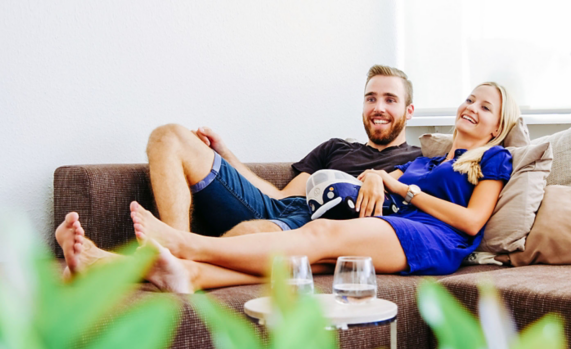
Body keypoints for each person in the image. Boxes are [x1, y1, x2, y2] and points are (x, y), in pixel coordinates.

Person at [58, 82, 520, 293]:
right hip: (378, 222)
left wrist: (404, 190)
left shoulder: (492, 158)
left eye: (485, 106)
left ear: (499, 124)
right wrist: (380, 177)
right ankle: (175, 272)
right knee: (311, 259)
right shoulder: (427, 159)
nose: (471, 107)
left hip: (430, 236)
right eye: (468, 99)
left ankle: (181, 246)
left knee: (317, 240)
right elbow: (286, 193)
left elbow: (474, 222)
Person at [144, 65, 422, 238]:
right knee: (167, 136)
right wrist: (225, 154)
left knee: (250, 234)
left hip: (320, 225)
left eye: (390, 100)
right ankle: (174, 243)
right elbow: (280, 197)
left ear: (409, 111)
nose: (379, 108)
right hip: (286, 209)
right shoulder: (335, 147)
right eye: (371, 98)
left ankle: (177, 254)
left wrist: (375, 176)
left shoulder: (418, 160)